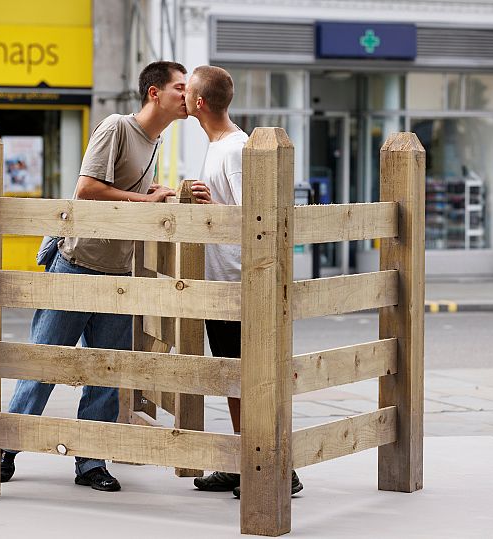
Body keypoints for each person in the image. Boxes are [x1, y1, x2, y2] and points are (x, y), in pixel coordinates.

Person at [0, 61, 188, 491]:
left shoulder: (156, 143)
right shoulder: (117, 127)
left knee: (107, 371)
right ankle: (6, 448)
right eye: (179, 87)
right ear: (154, 93)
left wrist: (159, 196)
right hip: (77, 263)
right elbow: (86, 189)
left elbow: (134, 197)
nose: (186, 95)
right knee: (45, 362)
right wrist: (145, 201)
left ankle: (91, 463)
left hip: (120, 272)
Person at [185, 65, 303, 498]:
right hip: (222, 284)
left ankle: (277, 471)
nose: (182, 100)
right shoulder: (219, 146)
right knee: (235, 380)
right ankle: (242, 463)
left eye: (187, 94)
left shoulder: (235, 150)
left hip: (238, 284)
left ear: (199, 103)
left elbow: (254, 218)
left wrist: (214, 205)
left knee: (250, 381)